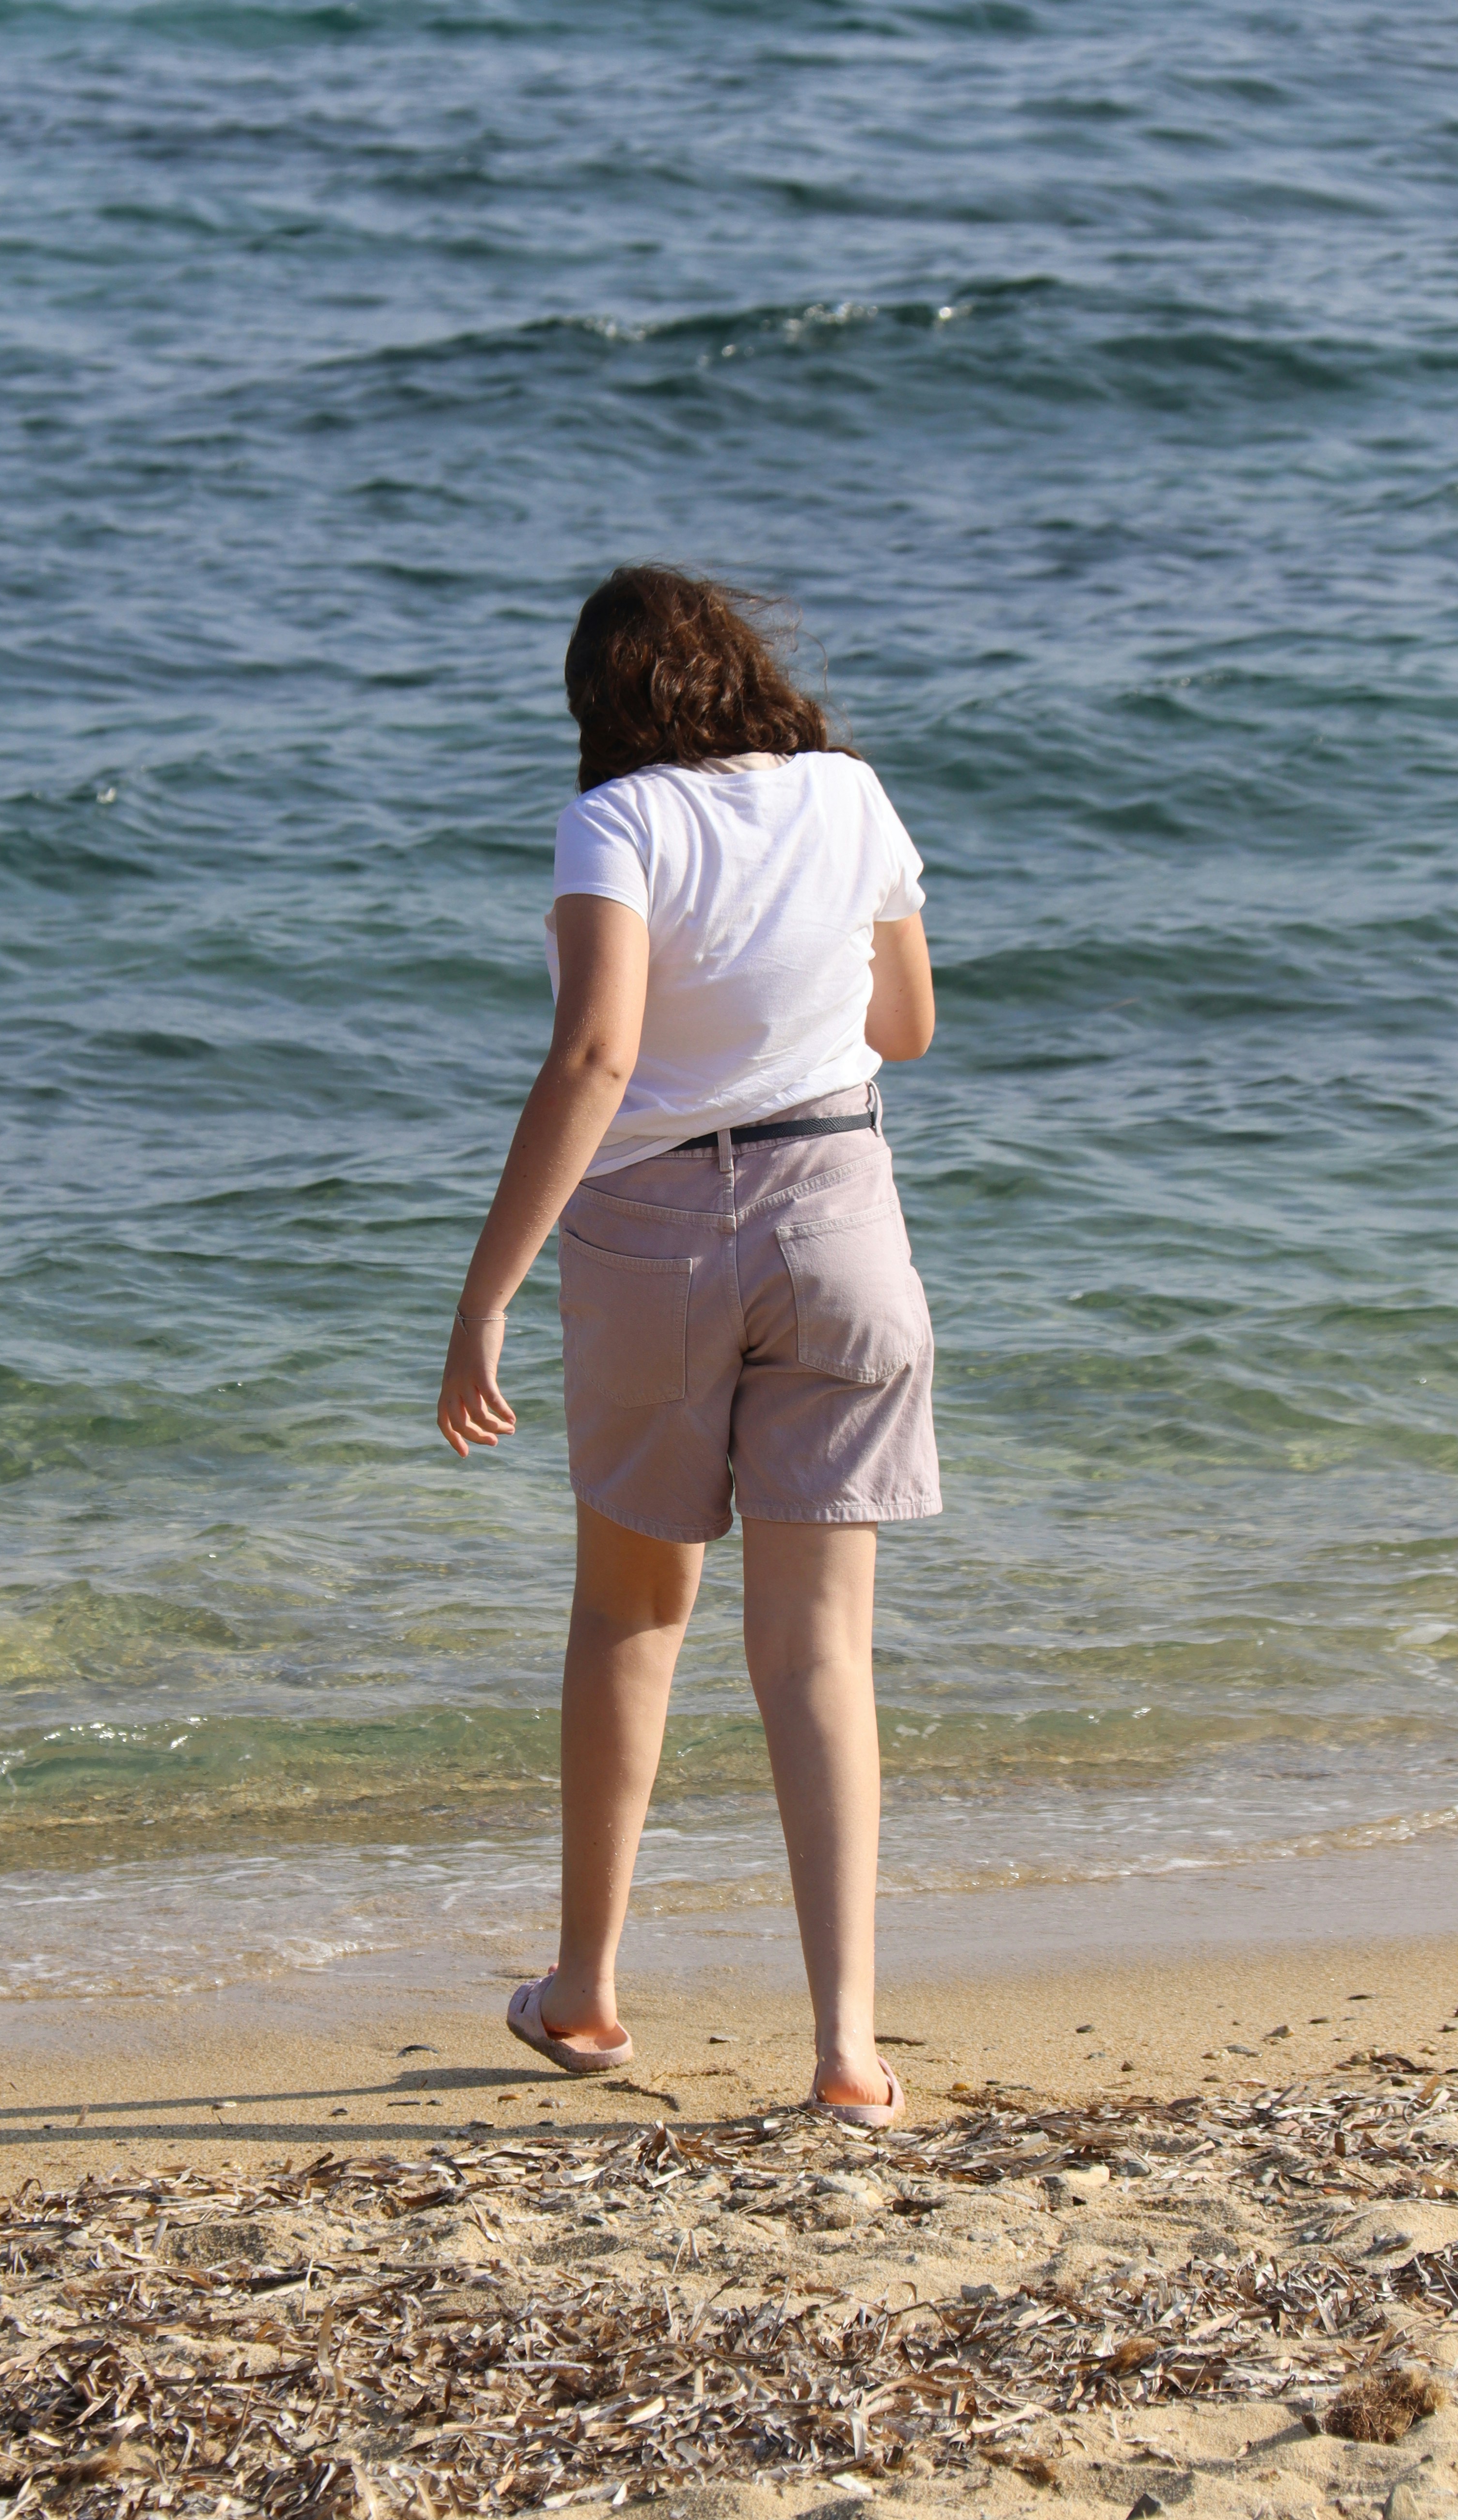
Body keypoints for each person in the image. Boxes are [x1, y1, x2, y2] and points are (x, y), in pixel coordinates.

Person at [435, 566, 938, 2127]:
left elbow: (597, 1056)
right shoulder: (851, 794)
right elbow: (906, 1026)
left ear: (601, 703)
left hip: (657, 1235)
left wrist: (484, 1294)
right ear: (745, 666)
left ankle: (586, 1991)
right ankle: (848, 2049)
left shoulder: (620, 823)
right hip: (843, 1215)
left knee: (634, 1613)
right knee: (820, 1650)